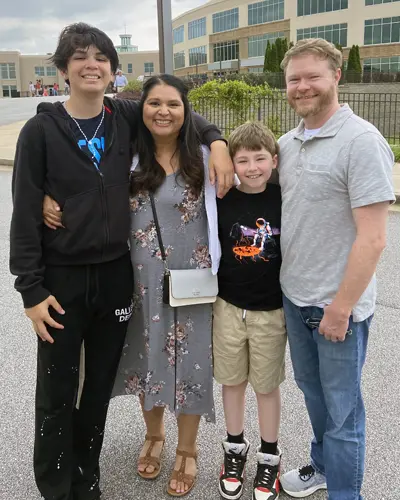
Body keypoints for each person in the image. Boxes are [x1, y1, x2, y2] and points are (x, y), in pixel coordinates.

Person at [10, 22, 233, 500]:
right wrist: (29, 287)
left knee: (103, 387)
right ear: (64, 68)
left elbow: (181, 113)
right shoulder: (44, 130)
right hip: (76, 278)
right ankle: (57, 485)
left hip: (131, 278)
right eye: (80, 56)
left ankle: (90, 476)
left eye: (100, 57)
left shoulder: (124, 119)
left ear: (112, 70)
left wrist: (216, 142)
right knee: (61, 387)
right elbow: (24, 211)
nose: (91, 64)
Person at [276, 39, 395, 499]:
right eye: (294, 79)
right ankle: (323, 467)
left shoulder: (361, 142)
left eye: (313, 76)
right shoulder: (287, 144)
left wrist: (341, 307)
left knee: (343, 413)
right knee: (314, 396)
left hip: (337, 308)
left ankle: (346, 493)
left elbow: (374, 237)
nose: (303, 86)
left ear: (336, 77)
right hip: (295, 297)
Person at [111, 74, 220, 497]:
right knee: (147, 355)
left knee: (192, 360)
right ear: (142, 109)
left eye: (172, 104)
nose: (163, 111)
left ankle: (188, 448)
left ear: (186, 109)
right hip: (141, 282)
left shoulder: (207, 156)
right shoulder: (128, 157)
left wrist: (224, 146)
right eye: (154, 103)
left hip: (191, 282)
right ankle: (154, 435)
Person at [213, 122, 286, 500]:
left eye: (260, 158)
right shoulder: (223, 197)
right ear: (232, 163)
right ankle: (234, 449)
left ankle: (269, 456)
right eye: (243, 160)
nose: (253, 167)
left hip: (271, 311)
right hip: (227, 306)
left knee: (266, 386)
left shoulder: (284, 197)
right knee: (232, 381)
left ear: (274, 160)